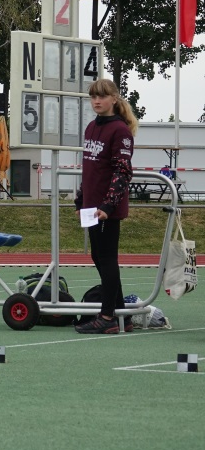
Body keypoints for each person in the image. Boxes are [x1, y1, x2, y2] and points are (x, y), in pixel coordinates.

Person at [74, 78, 138, 334]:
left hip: (106, 208)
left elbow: (123, 171)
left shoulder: (120, 130)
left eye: (102, 96)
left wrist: (108, 206)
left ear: (114, 98)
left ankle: (108, 316)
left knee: (107, 258)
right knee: (98, 257)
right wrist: (80, 199)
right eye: (93, 97)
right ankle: (123, 316)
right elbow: (89, 169)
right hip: (91, 205)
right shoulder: (91, 127)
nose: (97, 101)